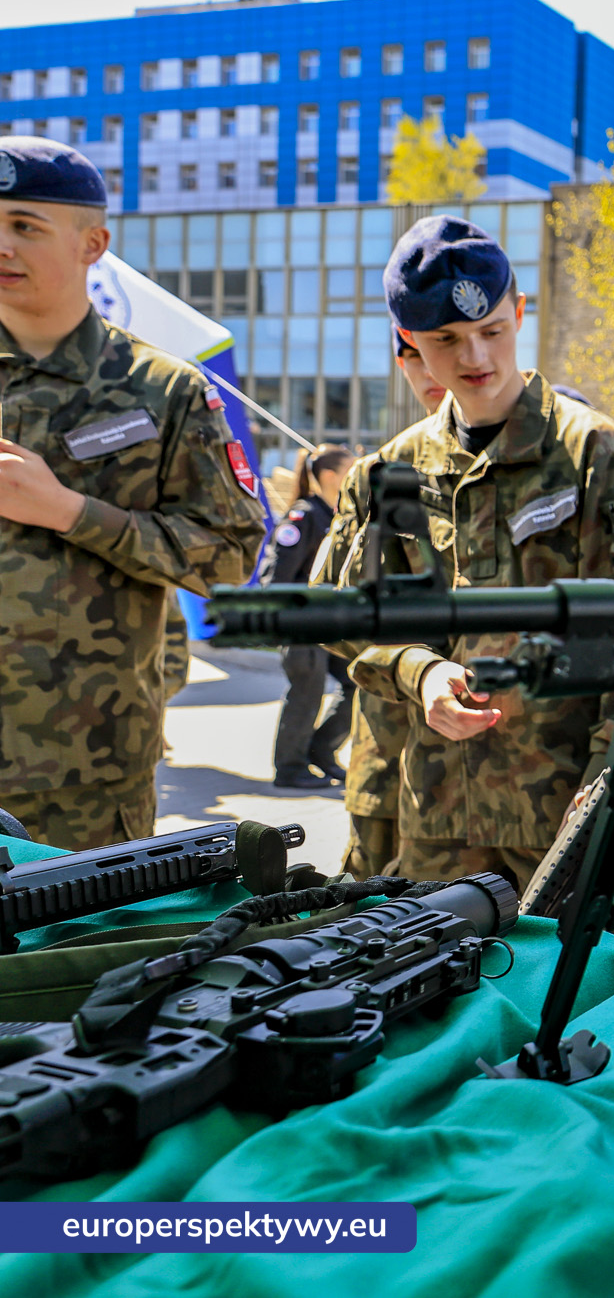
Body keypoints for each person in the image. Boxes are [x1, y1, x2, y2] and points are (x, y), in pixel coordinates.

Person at [318, 216, 614, 967]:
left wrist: (608, 798)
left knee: (588, 1005)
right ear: (409, 342)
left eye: (490, 330)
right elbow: (345, 615)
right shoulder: (389, 472)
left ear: (519, 311)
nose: (475, 356)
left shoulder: (590, 451)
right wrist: (419, 672)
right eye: (446, 339)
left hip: (563, 815)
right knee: (435, 1005)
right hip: (435, 821)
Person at [0, 138, 265, 849]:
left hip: (84, 780)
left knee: (81, 930)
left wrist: (71, 512)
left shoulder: (164, 390)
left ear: (93, 243)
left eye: (25, 225)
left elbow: (231, 556)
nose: (2, 245)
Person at [331, 327, 445, 878]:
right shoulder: (381, 473)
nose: (433, 371)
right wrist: (415, 668)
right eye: (416, 357)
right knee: (372, 914)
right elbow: (333, 612)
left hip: (516, 781)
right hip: (391, 762)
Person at [262, 444, 353, 789]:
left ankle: (321, 751)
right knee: (307, 693)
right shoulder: (303, 516)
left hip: (332, 626)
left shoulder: (338, 515)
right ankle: (289, 768)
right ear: (329, 476)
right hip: (303, 624)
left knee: (357, 683)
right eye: (350, 470)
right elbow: (277, 577)